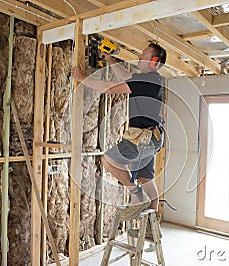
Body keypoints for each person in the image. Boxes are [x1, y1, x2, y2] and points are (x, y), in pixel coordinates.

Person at [71, 43, 167, 216]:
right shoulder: (151, 79)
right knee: (146, 179)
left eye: (143, 55)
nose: (139, 56)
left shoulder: (147, 79)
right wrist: (110, 60)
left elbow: (112, 88)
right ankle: (152, 218)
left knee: (108, 160)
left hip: (143, 138)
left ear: (154, 62)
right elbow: (126, 77)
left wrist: (83, 79)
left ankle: (137, 195)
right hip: (153, 138)